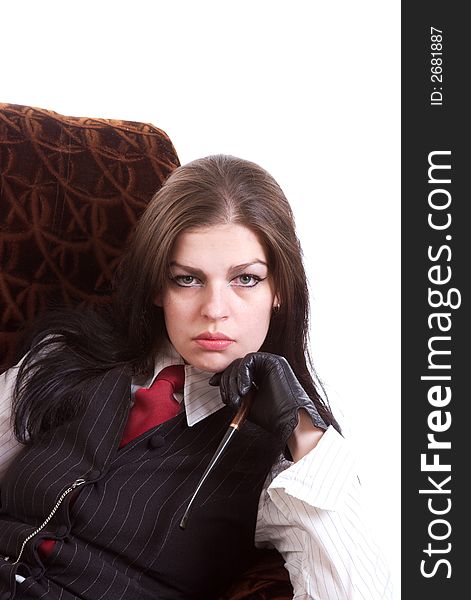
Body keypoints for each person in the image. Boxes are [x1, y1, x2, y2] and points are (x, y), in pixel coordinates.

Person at [0, 154, 392, 599]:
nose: (215, 309)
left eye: (245, 279)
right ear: (155, 286)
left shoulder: (284, 464)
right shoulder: (66, 358)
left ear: (279, 288)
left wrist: (304, 431)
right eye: (187, 280)